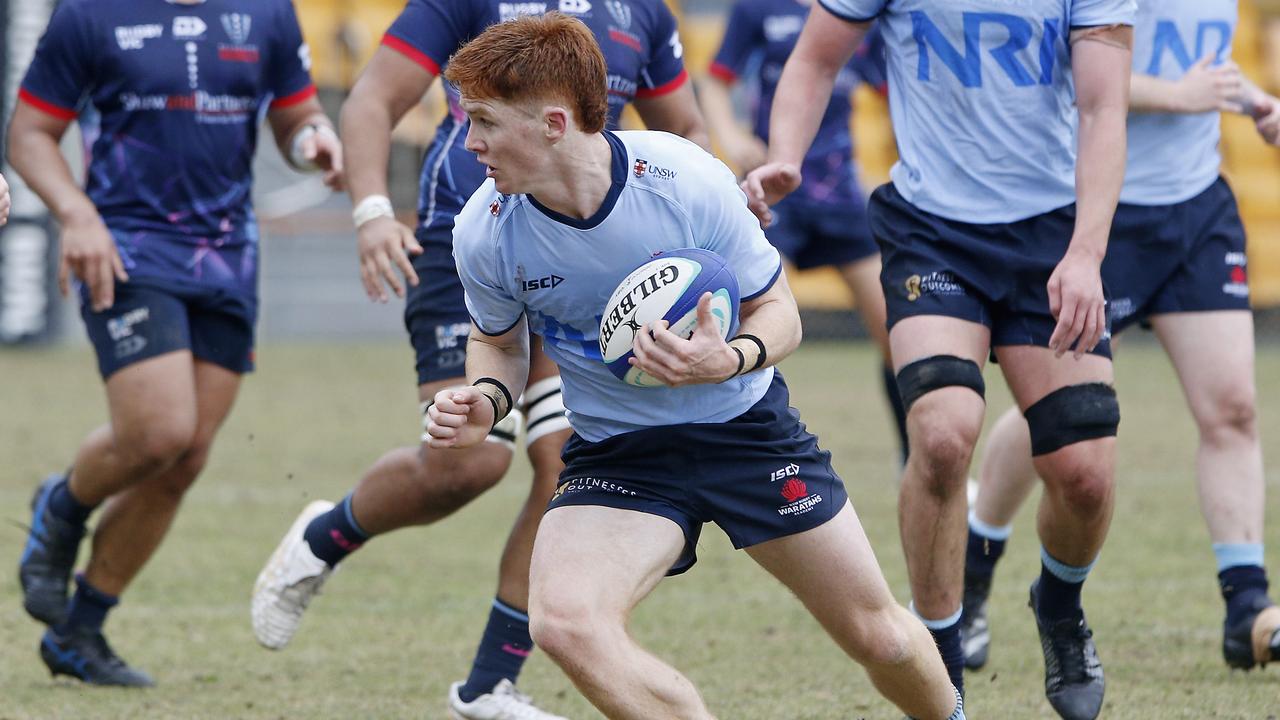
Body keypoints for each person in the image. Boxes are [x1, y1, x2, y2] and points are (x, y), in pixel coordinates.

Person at [420, 14, 965, 720]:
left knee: (879, 637)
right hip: (619, 453)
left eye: (485, 122)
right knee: (564, 624)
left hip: (745, 431)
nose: (471, 144)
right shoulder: (484, 230)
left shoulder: (683, 181)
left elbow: (781, 313)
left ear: (553, 124)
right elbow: (498, 345)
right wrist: (485, 401)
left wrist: (726, 359)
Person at [250, 1, 711, 717]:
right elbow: (374, 97)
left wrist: (714, 212)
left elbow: (685, 129)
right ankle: (328, 532)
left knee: (567, 461)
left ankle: (489, 684)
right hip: (469, 246)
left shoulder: (641, 10)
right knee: (467, 464)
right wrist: (373, 212)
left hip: (588, 259)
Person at [743, 2, 1134, 718]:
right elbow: (815, 57)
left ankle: (1059, 603)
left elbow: (1105, 108)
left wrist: (1086, 254)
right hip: (932, 230)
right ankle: (940, 663)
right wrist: (786, 156)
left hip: (1051, 232)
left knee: (1083, 475)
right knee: (943, 435)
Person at [12, 0, 341, 687]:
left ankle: (82, 630)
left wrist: (314, 137)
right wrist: (76, 214)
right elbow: (31, 133)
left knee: (184, 459)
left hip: (228, 259)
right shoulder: (90, 15)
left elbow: (293, 117)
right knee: (160, 430)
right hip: (124, 247)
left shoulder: (267, 13)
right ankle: (64, 505)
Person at [962, 0, 1280, 676]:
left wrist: (1251, 99)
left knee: (1233, 407)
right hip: (1100, 215)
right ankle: (974, 565)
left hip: (1196, 209)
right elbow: (1069, 77)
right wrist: (1182, 96)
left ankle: (1247, 605)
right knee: (1057, 415)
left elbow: (1199, 61)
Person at [699, 13, 909, 463]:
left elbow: (897, 93)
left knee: (901, 335)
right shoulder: (760, 7)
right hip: (774, 191)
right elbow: (716, 80)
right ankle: (721, 452)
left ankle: (915, 457)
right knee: (742, 319)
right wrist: (732, 136)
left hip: (840, 196)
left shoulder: (862, 13)